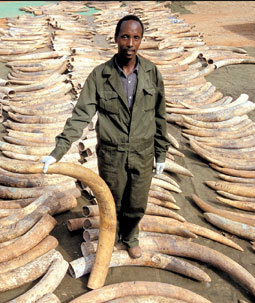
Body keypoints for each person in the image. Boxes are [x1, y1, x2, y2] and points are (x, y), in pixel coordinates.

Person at [40, 14, 170, 259]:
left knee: (137, 204)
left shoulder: (152, 73)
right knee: (112, 202)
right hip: (112, 155)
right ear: (116, 39)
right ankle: (110, 237)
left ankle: (130, 237)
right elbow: (80, 116)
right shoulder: (100, 76)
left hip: (142, 152)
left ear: (141, 41)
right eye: (125, 37)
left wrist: (161, 153)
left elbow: (160, 116)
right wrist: (57, 152)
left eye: (135, 38)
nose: (130, 43)